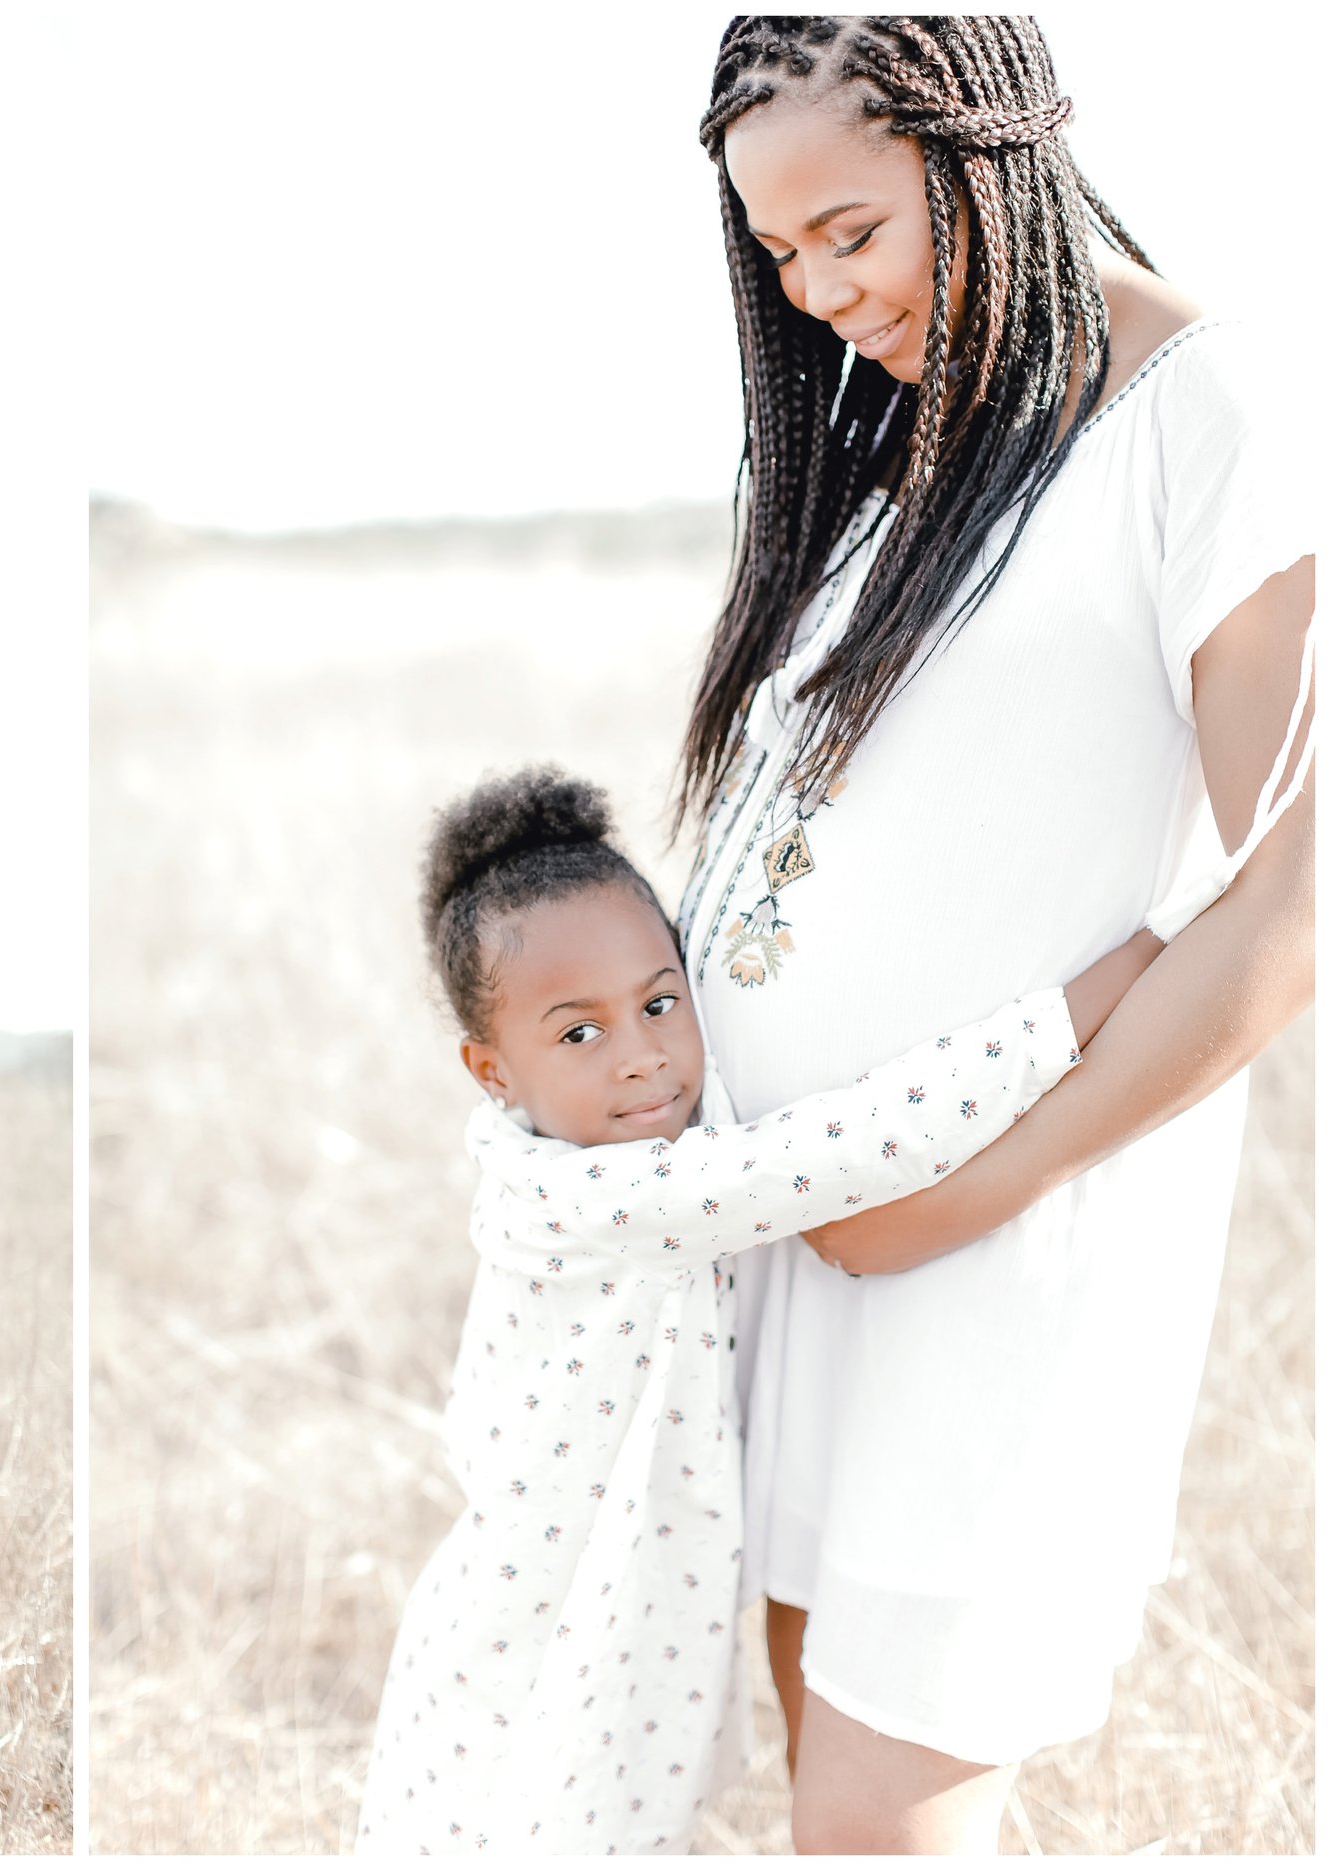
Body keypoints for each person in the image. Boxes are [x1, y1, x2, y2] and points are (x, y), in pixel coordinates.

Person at [684, 17, 1314, 1852]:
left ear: (987, 148)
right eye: (780, 255)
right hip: (816, 1237)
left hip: (1001, 1247)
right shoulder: (915, 433)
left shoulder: (1211, 408)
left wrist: (953, 1200)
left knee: (888, 1820)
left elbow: (1290, 904)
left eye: (852, 233)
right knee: (828, 1807)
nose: (817, 295)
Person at [354, 767, 1152, 1853]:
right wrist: (1109, 989)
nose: (638, 1053)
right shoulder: (609, 1192)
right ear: (490, 1071)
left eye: (656, 1001)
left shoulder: (625, 1132)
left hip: (597, 1619)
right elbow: (853, 1142)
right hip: (530, 1645)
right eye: (575, 1033)